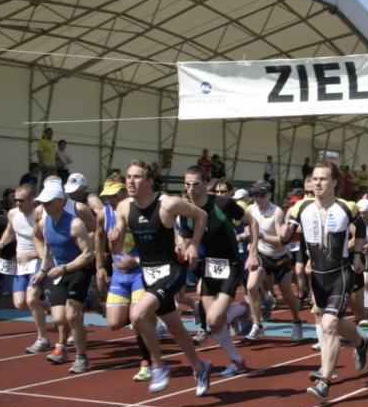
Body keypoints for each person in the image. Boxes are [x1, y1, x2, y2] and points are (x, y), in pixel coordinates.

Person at [109, 159, 211, 395]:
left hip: (172, 271)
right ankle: (200, 367)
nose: (130, 181)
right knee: (175, 327)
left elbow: (201, 215)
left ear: (148, 181)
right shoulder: (123, 207)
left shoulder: (168, 203)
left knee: (137, 315)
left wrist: (193, 245)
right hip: (148, 273)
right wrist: (113, 240)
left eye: (136, 177)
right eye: (128, 177)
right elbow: (117, 248)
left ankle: (158, 366)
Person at [280, 161, 368, 402]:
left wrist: (358, 254)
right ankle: (361, 343)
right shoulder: (300, 207)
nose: (317, 183)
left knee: (329, 324)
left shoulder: (346, 207)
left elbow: (361, 229)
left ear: (333, 183)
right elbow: (285, 238)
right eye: (314, 178)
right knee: (334, 323)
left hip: (341, 273)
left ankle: (325, 381)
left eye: (322, 179)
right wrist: (271, 230)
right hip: (318, 278)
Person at [181, 166, 256, 376]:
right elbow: (188, 240)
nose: (191, 188)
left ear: (206, 184)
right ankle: (237, 360)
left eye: (196, 184)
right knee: (213, 323)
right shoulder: (185, 212)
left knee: (214, 319)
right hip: (209, 266)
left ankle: (243, 309)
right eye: (187, 184)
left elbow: (252, 222)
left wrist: (253, 252)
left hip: (231, 264)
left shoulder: (223, 204)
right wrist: (187, 252)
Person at [31, 179, 95, 373]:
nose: (45, 206)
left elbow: (88, 254)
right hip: (60, 271)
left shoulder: (75, 224)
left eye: (48, 202)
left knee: (72, 315)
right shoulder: (44, 222)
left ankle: (81, 357)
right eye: (43, 202)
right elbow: (48, 248)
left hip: (79, 269)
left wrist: (65, 268)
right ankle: (90, 302)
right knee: (59, 318)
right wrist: (43, 270)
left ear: (60, 201)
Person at [94, 177, 153, 381]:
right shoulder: (104, 214)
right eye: (107, 196)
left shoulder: (140, 211)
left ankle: (146, 364)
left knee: (138, 321)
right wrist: (100, 266)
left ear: (125, 193)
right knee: (114, 323)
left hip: (141, 272)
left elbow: (156, 243)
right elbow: (98, 236)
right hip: (119, 274)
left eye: (114, 195)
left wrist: (136, 260)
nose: (111, 200)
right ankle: (149, 314)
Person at [0, 184, 49, 352]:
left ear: (32, 200)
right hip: (21, 264)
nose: (18, 203)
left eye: (22, 200)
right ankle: (49, 304)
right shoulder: (13, 213)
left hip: (38, 260)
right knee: (20, 303)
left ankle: (42, 338)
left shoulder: (41, 216)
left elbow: (49, 243)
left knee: (31, 299)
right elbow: (10, 231)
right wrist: (0, 244)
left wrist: (33, 255)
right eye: (16, 200)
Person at [246, 181, 303, 341]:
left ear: (270, 195)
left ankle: (297, 322)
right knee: (251, 287)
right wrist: (248, 238)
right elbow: (246, 228)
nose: (258, 198)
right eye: (256, 195)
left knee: (287, 294)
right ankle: (257, 325)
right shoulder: (250, 210)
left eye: (262, 195)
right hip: (262, 256)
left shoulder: (276, 212)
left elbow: (281, 241)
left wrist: (261, 236)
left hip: (280, 258)